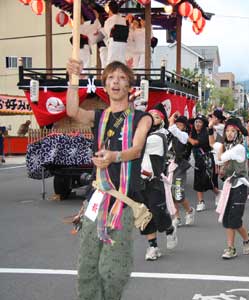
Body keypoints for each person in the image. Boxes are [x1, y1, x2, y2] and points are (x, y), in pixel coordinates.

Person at [66, 59, 152, 300]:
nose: (116, 81)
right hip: (96, 200)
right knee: (87, 267)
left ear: (129, 86)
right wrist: (73, 79)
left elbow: (136, 150)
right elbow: (72, 111)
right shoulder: (99, 117)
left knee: (113, 270)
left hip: (123, 203)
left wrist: (114, 156)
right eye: (111, 77)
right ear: (105, 85)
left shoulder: (141, 118)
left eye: (122, 78)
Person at [139, 105, 178, 261]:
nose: (151, 118)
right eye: (149, 115)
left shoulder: (158, 137)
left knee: (158, 213)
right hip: (140, 182)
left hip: (154, 182)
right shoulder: (144, 134)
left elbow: (137, 146)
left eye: (156, 116)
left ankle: (169, 228)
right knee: (144, 215)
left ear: (162, 120)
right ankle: (153, 247)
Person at [216, 117, 249, 259]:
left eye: (233, 131)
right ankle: (231, 248)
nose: (230, 133)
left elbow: (220, 158)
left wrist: (219, 149)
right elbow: (223, 163)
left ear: (238, 133)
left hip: (240, 186)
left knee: (234, 218)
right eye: (227, 131)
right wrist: (223, 171)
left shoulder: (238, 148)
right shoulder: (229, 147)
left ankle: (246, 238)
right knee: (227, 219)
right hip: (229, 186)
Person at [167, 113, 195, 227]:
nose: (178, 126)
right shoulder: (170, 136)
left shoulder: (183, 136)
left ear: (185, 127)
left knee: (178, 193)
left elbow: (173, 128)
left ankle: (189, 210)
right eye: (177, 124)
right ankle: (176, 217)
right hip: (169, 167)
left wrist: (171, 120)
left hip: (179, 168)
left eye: (181, 125)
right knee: (170, 193)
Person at [190, 114, 219, 211]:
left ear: (203, 124)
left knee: (210, 181)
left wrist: (185, 136)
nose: (197, 124)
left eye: (200, 122)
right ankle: (201, 202)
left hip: (208, 161)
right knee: (198, 182)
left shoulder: (206, 133)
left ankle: (219, 194)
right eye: (196, 122)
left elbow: (195, 143)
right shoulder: (193, 134)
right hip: (198, 162)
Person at [103, 1, 128, 65]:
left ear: (110, 10)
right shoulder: (123, 19)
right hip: (123, 42)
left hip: (113, 41)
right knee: (121, 61)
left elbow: (107, 33)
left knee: (111, 61)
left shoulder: (109, 20)